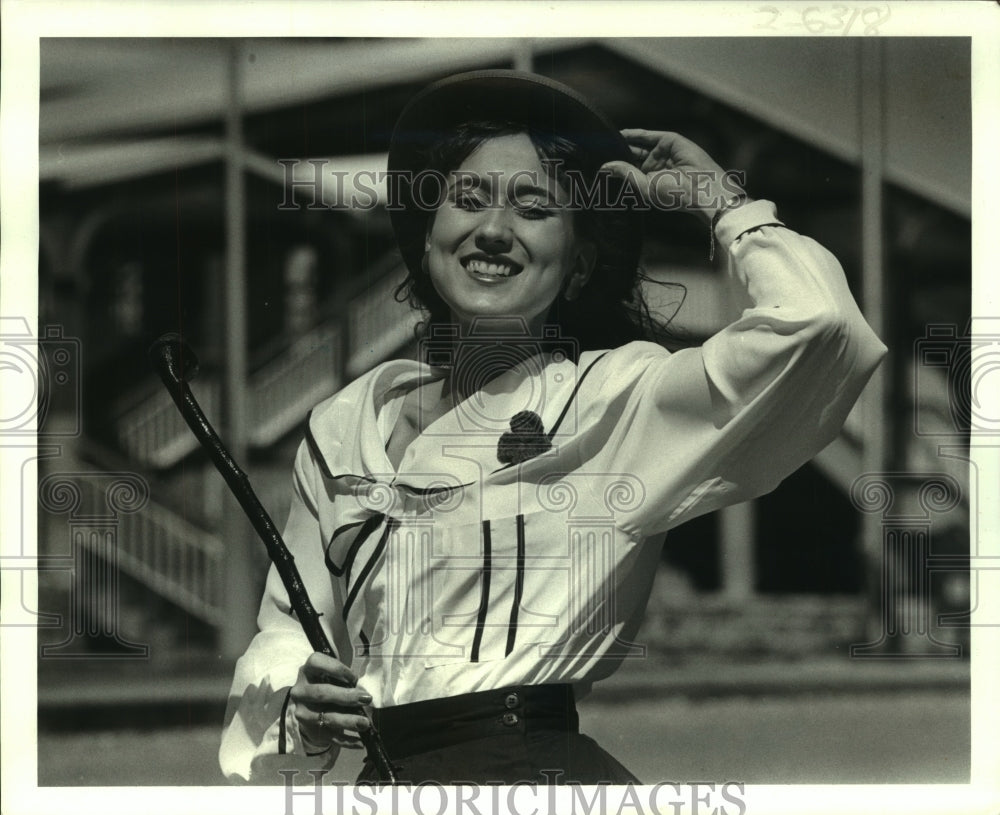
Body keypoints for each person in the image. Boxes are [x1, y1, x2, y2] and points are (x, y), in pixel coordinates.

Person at [219, 70, 886, 785]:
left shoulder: (619, 399)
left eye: (533, 208)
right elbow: (287, 629)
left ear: (579, 264)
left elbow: (819, 325)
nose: (494, 230)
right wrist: (303, 705)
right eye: (467, 199)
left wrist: (722, 203)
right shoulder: (342, 425)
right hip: (386, 780)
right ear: (428, 234)